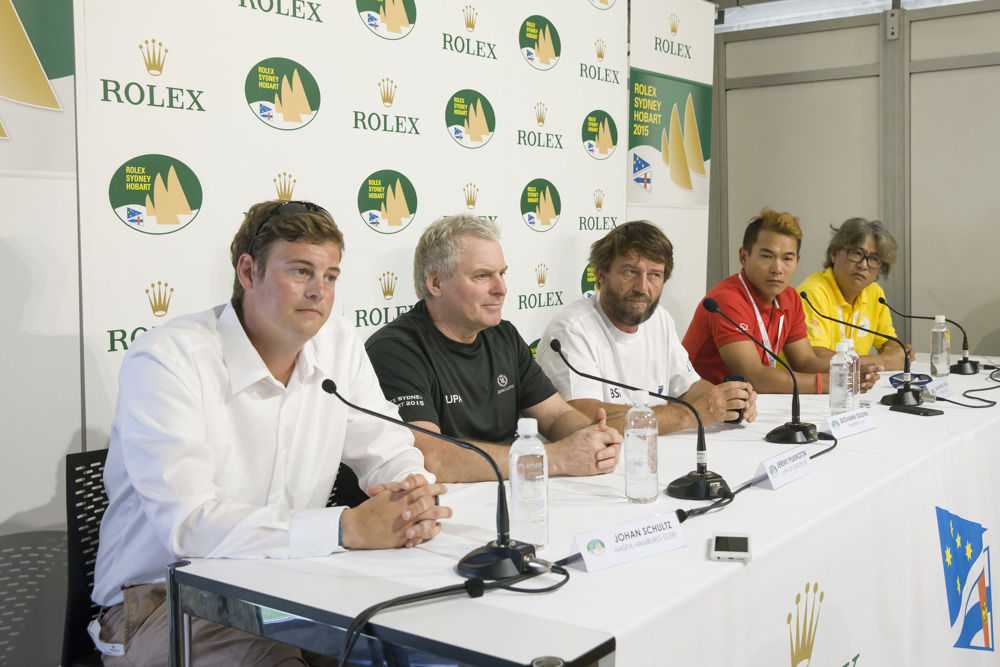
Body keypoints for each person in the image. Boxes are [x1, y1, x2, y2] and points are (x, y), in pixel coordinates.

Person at [92, 200, 450, 667]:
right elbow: (188, 524)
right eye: (301, 271)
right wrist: (346, 528)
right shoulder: (168, 359)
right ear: (248, 271)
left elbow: (387, 447)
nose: (319, 291)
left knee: (421, 648)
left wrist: (410, 494)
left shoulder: (338, 342)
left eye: (331, 276)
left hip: (293, 582)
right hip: (166, 604)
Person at [365, 214, 622, 483]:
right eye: (482, 276)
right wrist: (553, 458)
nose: (501, 289)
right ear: (436, 283)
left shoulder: (504, 335)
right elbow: (430, 457)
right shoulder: (394, 351)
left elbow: (555, 415)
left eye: (502, 273)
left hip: (513, 496)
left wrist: (591, 437)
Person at [536, 220, 758, 433]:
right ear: (601, 275)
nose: (642, 287)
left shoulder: (659, 318)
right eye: (631, 272)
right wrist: (689, 415)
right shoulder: (571, 331)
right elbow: (581, 415)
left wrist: (727, 400)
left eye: (654, 275)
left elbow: (689, 387)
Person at [682, 207, 882, 394]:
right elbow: (753, 376)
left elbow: (804, 361)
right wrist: (829, 383)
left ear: (797, 261)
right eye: (767, 256)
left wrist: (851, 369)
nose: (777, 268)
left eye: (787, 258)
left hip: (747, 406)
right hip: (701, 408)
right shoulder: (727, 300)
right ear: (744, 257)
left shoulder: (790, 298)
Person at [798, 217, 913, 369]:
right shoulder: (813, 293)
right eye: (857, 253)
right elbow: (815, 357)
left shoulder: (875, 294)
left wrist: (899, 351)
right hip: (802, 389)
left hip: (849, 384)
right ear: (834, 254)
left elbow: (887, 342)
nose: (864, 265)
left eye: (874, 259)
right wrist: (883, 361)